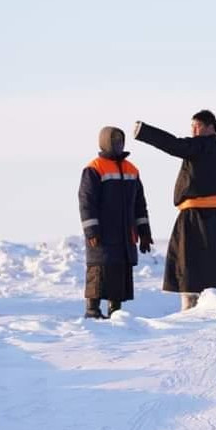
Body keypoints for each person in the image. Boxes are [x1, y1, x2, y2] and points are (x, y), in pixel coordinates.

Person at [133, 110, 216, 309]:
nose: (192, 131)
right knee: (214, 269)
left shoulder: (199, 146)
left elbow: (173, 144)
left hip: (193, 218)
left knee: (189, 266)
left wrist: (144, 132)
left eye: (196, 126)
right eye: (191, 127)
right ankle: (212, 307)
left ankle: (189, 310)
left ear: (210, 127)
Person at [78, 126, 153, 319]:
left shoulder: (132, 170)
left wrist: (144, 232)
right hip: (102, 234)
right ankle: (92, 310)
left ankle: (116, 312)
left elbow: (140, 205)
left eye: (121, 141)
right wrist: (91, 231)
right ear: (104, 142)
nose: (118, 145)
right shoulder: (94, 169)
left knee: (119, 271)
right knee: (98, 269)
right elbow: (87, 202)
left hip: (125, 234)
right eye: (114, 141)